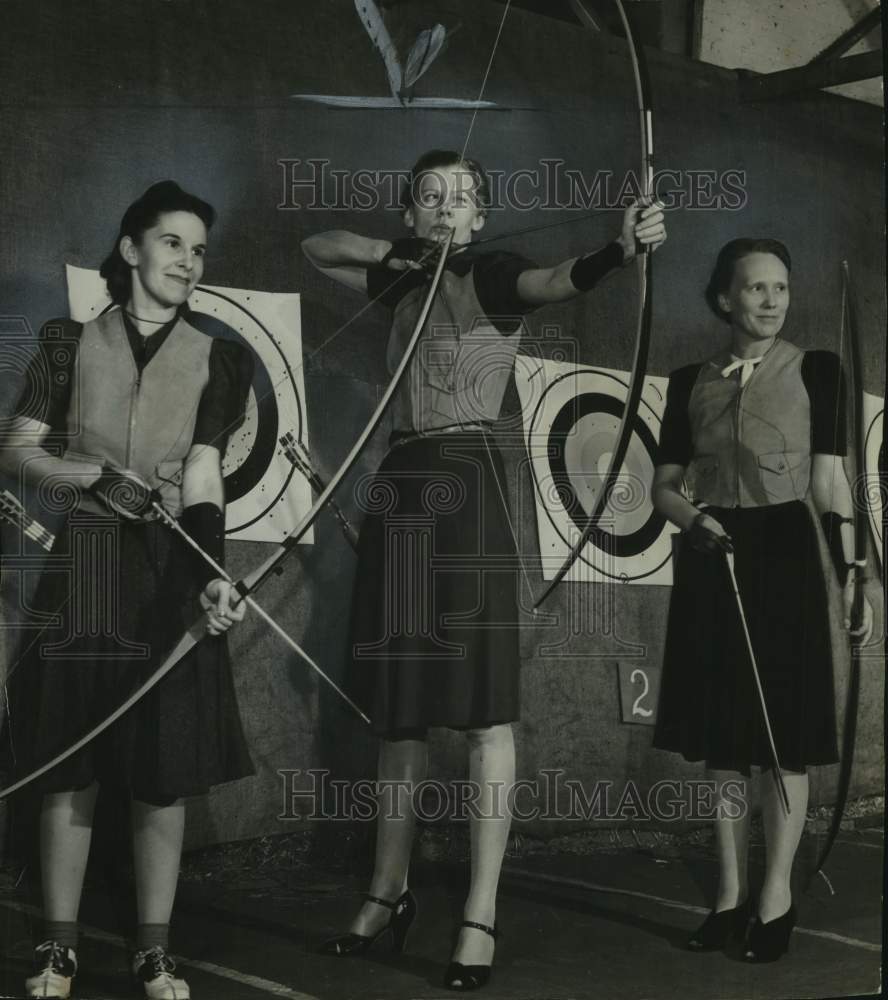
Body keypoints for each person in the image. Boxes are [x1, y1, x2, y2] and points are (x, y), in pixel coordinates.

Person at [302, 148, 666, 990]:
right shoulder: (402, 280)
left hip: (464, 486)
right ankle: (387, 895)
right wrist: (396, 256)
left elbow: (556, 282)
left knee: (480, 715)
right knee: (398, 715)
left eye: (461, 197)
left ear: (480, 218)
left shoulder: (492, 273)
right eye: (429, 196)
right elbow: (318, 246)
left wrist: (620, 250)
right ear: (412, 215)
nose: (444, 206)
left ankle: (479, 911)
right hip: (402, 485)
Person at [0, 180, 255, 999]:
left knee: (162, 764)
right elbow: (18, 447)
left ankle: (153, 950)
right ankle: (59, 947)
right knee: (71, 755)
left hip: (171, 566)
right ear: (131, 248)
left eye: (199, 249)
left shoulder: (223, 355)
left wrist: (213, 574)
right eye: (174, 242)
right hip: (87, 560)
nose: (189, 260)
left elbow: (207, 468)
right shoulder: (67, 343)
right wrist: (92, 476)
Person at [651, 238, 873, 962]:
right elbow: (663, 486)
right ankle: (726, 896)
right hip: (713, 554)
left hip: (784, 556)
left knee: (784, 741)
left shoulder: (819, 369)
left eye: (781, 286)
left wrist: (853, 572)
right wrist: (695, 521)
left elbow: (830, 485)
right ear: (724, 299)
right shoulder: (688, 380)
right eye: (755, 288)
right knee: (724, 744)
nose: (771, 299)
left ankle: (775, 895)